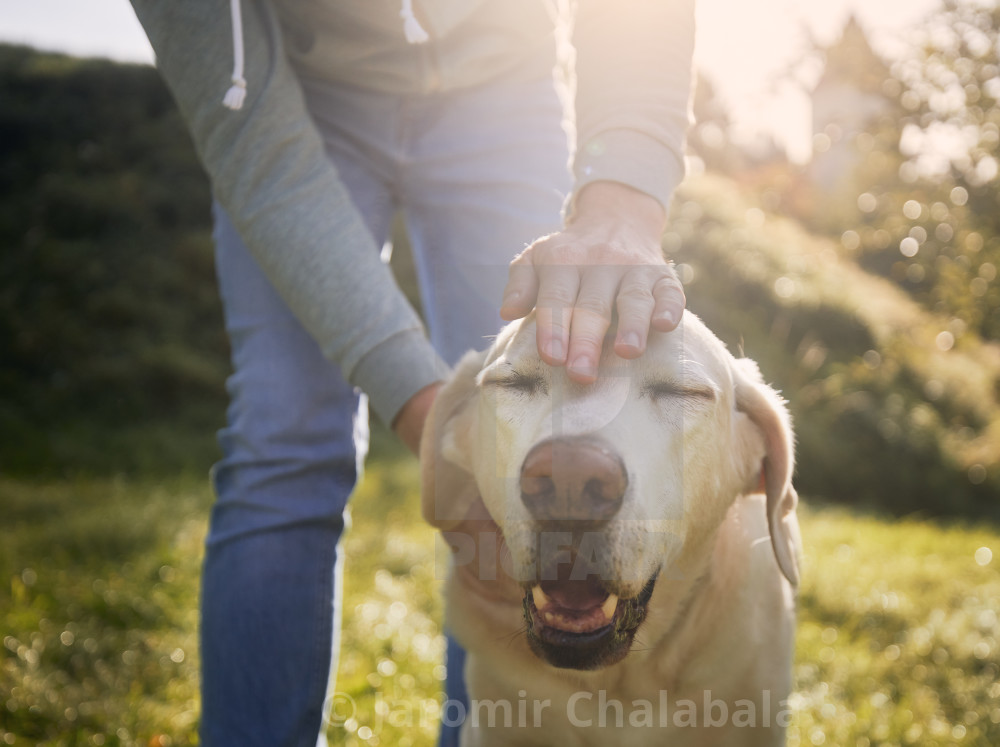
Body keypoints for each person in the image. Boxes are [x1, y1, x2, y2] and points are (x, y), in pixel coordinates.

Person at [129, 0, 695, 743]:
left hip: (502, 76)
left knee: (544, 431)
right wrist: (432, 415)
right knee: (285, 431)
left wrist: (623, 193)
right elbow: (266, 167)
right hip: (295, 94)